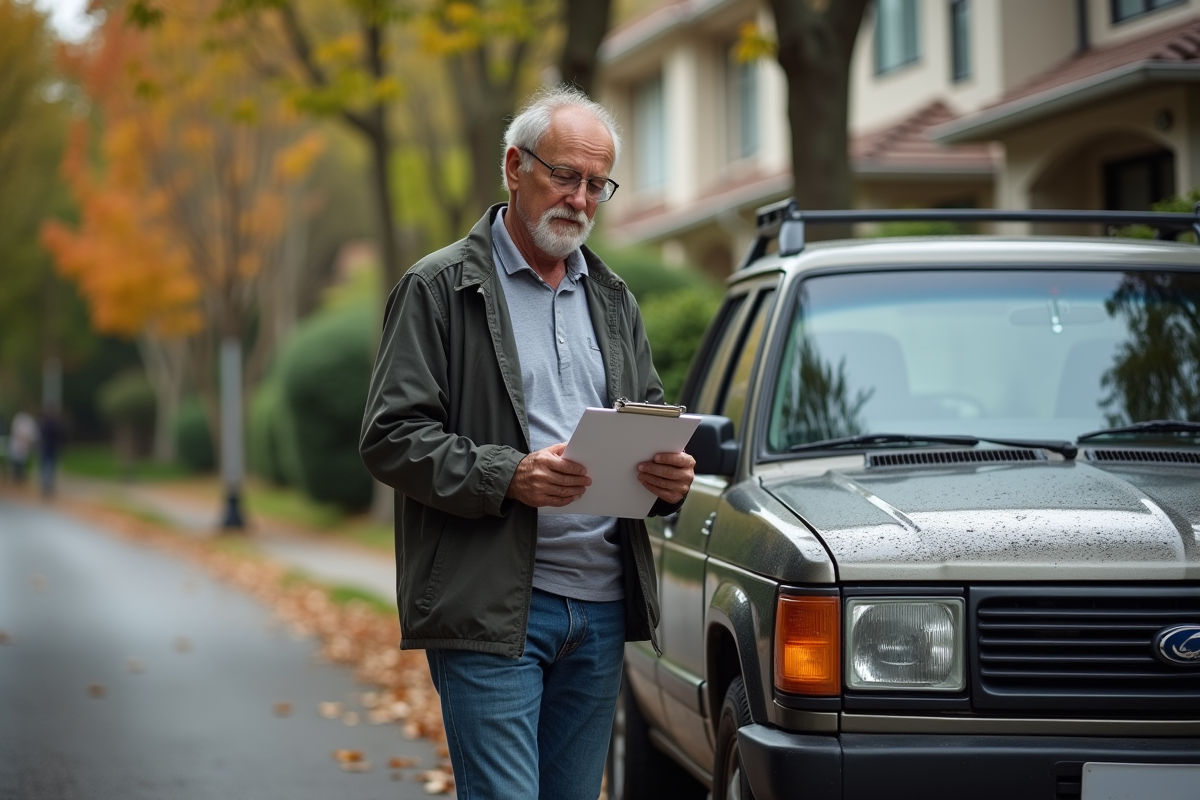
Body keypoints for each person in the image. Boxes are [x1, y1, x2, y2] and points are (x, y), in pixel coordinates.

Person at [359, 86, 696, 800]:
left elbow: (649, 413)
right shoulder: (438, 288)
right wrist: (508, 475)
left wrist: (667, 478)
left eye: (595, 184)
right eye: (563, 175)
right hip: (492, 610)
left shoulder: (613, 297)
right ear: (514, 166)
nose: (579, 198)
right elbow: (390, 437)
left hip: (602, 609)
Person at [37, 407, 64, 497]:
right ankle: (47, 485)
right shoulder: (54, 424)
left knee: (46, 468)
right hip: (50, 449)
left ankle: (46, 485)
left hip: (47, 449)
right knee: (49, 468)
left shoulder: (44, 424)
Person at [8, 410, 39, 485]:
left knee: (21, 464)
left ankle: (20, 478)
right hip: (17, 446)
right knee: (15, 463)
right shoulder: (19, 419)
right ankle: (15, 478)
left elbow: (33, 435)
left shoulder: (29, 421)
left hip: (24, 446)